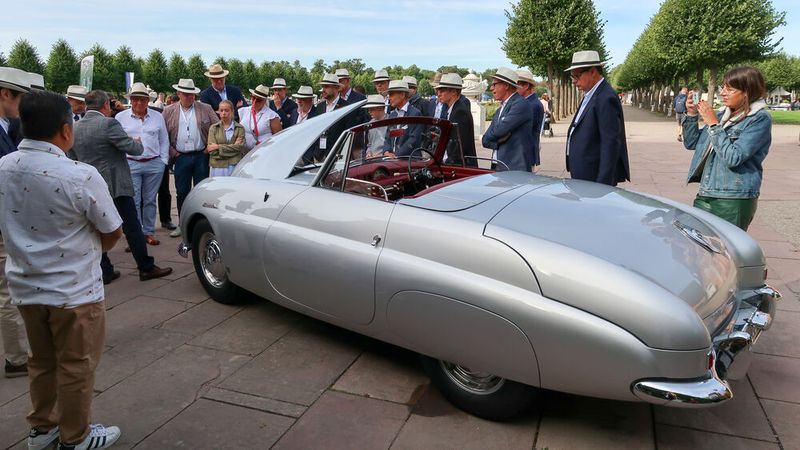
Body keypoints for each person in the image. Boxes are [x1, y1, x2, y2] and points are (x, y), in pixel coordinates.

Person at [0, 89, 124, 450]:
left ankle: (42, 429)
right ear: (66, 130)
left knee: (41, 361)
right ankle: (76, 436)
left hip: (25, 286)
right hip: (74, 292)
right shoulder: (79, 175)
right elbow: (112, 230)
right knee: (76, 365)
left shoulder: (3, 167)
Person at [71, 89, 174, 284]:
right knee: (132, 225)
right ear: (106, 106)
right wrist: (136, 142)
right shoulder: (109, 123)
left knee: (94, 229)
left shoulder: (75, 128)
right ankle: (145, 267)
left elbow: (72, 158)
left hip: (88, 186)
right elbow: (134, 149)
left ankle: (106, 270)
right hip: (115, 184)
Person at [682, 66, 772, 231]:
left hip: (733, 197)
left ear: (746, 91)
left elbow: (733, 157)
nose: (722, 92)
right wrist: (692, 114)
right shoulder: (724, 114)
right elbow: (692, 143)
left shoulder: (759, 119)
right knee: (699, 249)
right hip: (706, 193)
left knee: (724, 253)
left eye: (729, 89)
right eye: (722, 87)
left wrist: (714, 125)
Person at [0, 67, 31, 379]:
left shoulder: (6, 126)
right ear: (5, 94)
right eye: (20, 96)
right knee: (5, 290)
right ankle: (17, 356)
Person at [116, 82, 170, 245]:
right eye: (135, 99)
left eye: (142, 99)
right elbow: (116, 141)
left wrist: (163, 161)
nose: (139, 103)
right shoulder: (121, 117)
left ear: (148, 101)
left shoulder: (157, 116)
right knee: (134, 201)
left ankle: (148, 232)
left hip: (154, 163)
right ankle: (136, 235)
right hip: (131, 163)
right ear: (131, 100)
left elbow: (164, 140)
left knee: (150, 199)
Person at [163, 78, 219, 237]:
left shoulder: (205, 108)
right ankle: (182, 223)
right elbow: (163, 137)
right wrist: (173, 153)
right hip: (181, 156)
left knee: (202, 191)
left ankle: (202, 224)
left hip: (201, 155)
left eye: (192, 94)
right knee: (182, 192)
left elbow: (217, 129)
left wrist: (209, 149)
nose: (189, 97)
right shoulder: (168, 111)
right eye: (186, 94)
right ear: (178, 93)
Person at [564, 50, 630, 186]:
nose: (574, 82)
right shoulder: (592, 94)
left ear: (593, 71)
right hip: (585, 171)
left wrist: (603, 183)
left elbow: (610, 143)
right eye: (572, 77)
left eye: (577, 76)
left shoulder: (605, 98)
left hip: (594, 176)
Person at [481, 67, 533, 171]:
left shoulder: (520, 104)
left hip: (514, 167)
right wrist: (498, 142)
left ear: (506, 85)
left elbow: (498, 131)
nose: (491, 88)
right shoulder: (501, 109)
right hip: (498, 165)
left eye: (495, 84)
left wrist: (494, 137)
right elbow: (484, 140)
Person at [435, 73, 477, 167]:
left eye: (442, 90)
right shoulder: (453, 110)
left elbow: (459, 145)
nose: (438, 93)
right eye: (438, 90)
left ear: (454, 91)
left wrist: (448, 163)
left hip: (460, 167)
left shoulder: (460, 112)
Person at [310, 74, 350, 162]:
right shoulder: (320, 107)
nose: (323, 90)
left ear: (336, 88)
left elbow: (349, 132)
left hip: (337, 156)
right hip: (318, 155)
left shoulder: (346, 107)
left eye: (326, 87)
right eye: (323, 87)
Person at [382, 80, 422, 157]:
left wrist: (396, 155)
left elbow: (414, 139)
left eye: (391, 94)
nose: (389, 98)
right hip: (393, 161)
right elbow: (388, 137)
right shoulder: (392, 115)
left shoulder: (415, 114)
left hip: (410, 161)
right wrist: (386, 151)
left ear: (402, 95)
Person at [207, 99, 246, 177]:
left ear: (232, 111)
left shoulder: (239, 128)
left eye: (226, 110)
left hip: (233, 166)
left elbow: (239, 148)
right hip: (217, 167)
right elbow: (212, 151)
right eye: (221, 110)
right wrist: (232, 148)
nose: (224, 113)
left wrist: (218, 147)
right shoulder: (213, 128)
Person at [239, 84, 282, 152]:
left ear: (264, 101)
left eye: (259, 100)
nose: (255, 101)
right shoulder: (243, 111)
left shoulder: (272, 116)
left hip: (262, 152)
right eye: (253, 98)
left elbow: (278, 138)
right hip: (243, 152)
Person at [517, 69, 545, 169]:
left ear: (526, 86)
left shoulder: (532, 105)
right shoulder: (530, 103)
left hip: (524, 153)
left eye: (516, 85)